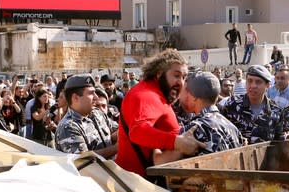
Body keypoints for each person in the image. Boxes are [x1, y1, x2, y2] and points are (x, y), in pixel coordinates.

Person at [115, 49, 204, 178]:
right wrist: (177, 142)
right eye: (176, 75)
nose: (181, 82)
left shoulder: (155, 93)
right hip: (137, 184)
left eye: (184, 77)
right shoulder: (147, 94)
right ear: (159, 73)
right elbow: (138, 132)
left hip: (141, 181)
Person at [154, 72, 244, 164]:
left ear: (194, 97)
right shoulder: (233, 128)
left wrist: (153, 140)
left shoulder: (194, 130)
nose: (180, 95)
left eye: (184, 90)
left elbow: (159, 162)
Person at [55, 74, 118, 159]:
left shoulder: (97, 113)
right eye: (91, 93)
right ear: (75, 98)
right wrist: (116, 148)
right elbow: (84, 159)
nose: (96, 97)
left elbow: (115, 130)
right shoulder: (68, 127)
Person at [220, 64, 282, 144]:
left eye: (258, 82)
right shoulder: (232, 104)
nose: (253, 86)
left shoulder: (276, 110)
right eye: (250, 81)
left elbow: (278, 142)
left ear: (267, 85)